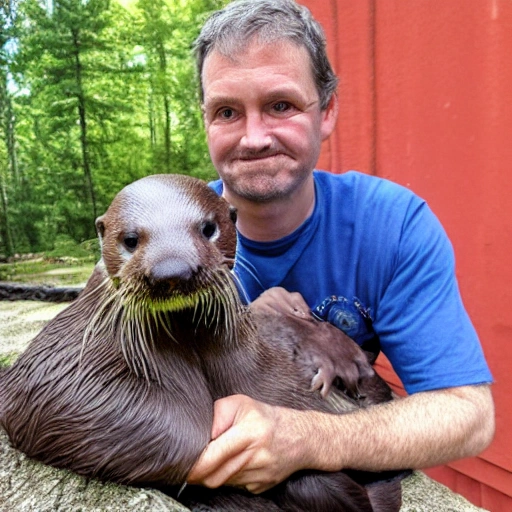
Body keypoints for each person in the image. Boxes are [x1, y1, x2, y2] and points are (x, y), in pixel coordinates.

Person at [187, 0, 495, 496]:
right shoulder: (168, 245)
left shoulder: (391, 225)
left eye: (281, 105)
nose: (254, 136)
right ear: (205, 122)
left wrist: (309, 439)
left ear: (327, 110)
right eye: (226, 111)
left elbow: (469, 414)